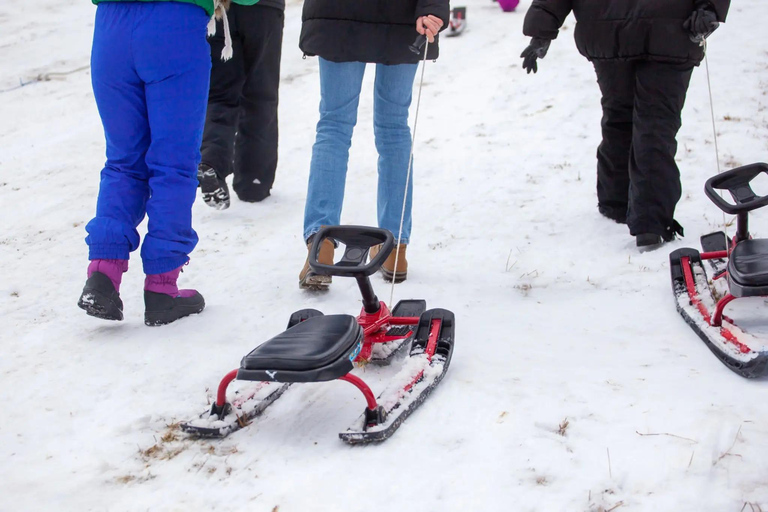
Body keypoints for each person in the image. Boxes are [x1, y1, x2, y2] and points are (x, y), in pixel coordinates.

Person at [521, 0, 730, 249]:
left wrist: (541, 29)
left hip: (606, 26)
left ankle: (616, 203)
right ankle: (650, 223)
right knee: (656, 123)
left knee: (619, 114)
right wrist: (710, 9)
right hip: (671, 25)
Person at [77, 0, 227, 325]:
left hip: (111, 29)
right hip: (175, 26)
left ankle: (103, 275)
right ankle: (162, 288)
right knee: (173, 164)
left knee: (122, 159)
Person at [297, 0, 450, 289]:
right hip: (401, 17)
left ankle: (321, 246)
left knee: (334, 126)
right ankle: (394, 249)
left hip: (338, 15)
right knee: (394, 128)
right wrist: (433, 7)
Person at [199, 0, 285, 210]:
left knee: (219, 94)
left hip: (221, 9)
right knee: (260, 95)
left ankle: (211, 160)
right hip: (263, 8)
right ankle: (253, 182)